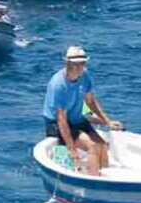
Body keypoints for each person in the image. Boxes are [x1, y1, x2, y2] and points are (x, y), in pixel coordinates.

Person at [42, 47, 122, 176]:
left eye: (83, 63)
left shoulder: (84, 77)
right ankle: (93, 181)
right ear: (67, 63)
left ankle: (105, 177)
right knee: (92, 146)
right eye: (76, 64)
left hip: (77, 119)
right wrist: (73, 152)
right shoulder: (58, 84)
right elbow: (61, 119)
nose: (80, 67)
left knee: (101, 144)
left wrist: (107, 121)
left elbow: (91, 101)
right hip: (58, 123)